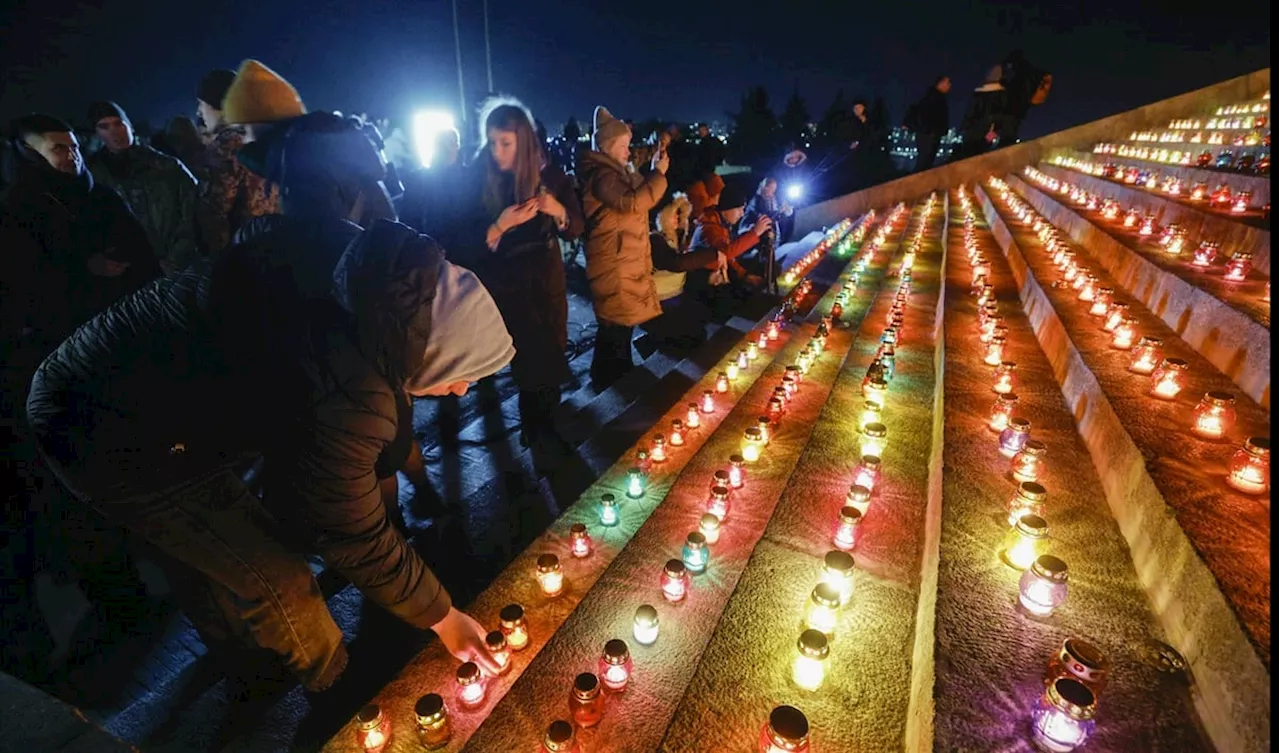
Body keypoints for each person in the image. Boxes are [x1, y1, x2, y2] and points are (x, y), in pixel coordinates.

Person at [25, 112, 515, 701]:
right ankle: (329, 684)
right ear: (429, 349)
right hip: (103, 424)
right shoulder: (345, 380)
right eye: (460, 376)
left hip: (154, 391)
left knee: (211, 544)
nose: (461, 391)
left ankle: (238, 659)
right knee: (272, 570)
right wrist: (443, 616)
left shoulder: (365, 270)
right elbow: (349, 530)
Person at [0, 114, 161, 684]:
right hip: (62, 364)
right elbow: (26, 288)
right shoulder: (23, 211)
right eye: (54, 148)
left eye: (71, 145)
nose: (68, 155)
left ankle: (145, 564)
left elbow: (143, 254)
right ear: (28, 152)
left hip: (118, 353)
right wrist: (84, 269)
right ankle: (117, 596)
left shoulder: (98, 196)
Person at [435, 97, 583, 477]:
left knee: (554, 349)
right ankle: (540, 434)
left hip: (547, 277)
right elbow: (456, 242)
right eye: (493, 142)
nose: (498, 151)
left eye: (506, 143)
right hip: (506, 283)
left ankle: (542, 427)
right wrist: (498, 226)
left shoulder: (549, 176)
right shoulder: (475, 178)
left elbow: (578, 224)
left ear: (525, 141)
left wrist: (558, 211)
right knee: (531, 362)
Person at [578, 105, 669, 389]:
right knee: (616, 324)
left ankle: (610, 375)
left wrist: (654, 156)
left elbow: (634, 189)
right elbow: (633, 202)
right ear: (608, 146)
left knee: (618, 325)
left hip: (620, 260)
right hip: (614, 264)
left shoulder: (613, 171)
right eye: (624, 146)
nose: (629, 152)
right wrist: (658, 175)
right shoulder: (603, 176)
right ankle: (613, 382)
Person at [85, 101, 200, 276]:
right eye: (104, 126)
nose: (114, 132)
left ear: (129, 126)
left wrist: (176, 259)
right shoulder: (92, 176)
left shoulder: (167, 166)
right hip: (123, 271)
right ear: (97, 132)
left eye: (118, 124)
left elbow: (194, 213)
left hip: (173, 268)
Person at [193, 66, 282, 256]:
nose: (199, 112)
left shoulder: (226, 145)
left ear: (218, 105)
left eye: (201, 104)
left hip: (244, 256)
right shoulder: (265, 136)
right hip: (276, 249)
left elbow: (213, 213)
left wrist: (220, 265)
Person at [688, 182, 771, 310]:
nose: (742, 214)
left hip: (715, 278)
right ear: (727, 209)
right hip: (703, 285)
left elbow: (728, 258)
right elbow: (726, 252)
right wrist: (755, 232)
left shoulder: (721, 224)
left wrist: (745, 275)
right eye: (739, 209)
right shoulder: (709, 228)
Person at [998, 50, 1052, 145]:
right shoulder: (1029, 72)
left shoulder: (1021, 73)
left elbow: (1017, 90)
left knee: (1005, 135)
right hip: (1019, 109)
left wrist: (1004, 83)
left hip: (1012, 109)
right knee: (1008, 132)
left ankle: (1001, 150)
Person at [958, 66, 1008, 159]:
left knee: (967, 156)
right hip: (987, 133)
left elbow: (969, 113)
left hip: (971, 132)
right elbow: (1000, 116)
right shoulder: (1001, 95)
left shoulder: (978, 94)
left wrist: (963, 127)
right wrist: (996, 130)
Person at [906, 76, 951, 171]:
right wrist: (931, 131)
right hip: (928, 135)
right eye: (947, 83)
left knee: (925, 162)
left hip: (929, 134)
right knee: (924, 162)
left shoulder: (933, 96)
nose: (949, 86)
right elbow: (929, 116)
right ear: (940, 83)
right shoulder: (934, 98)